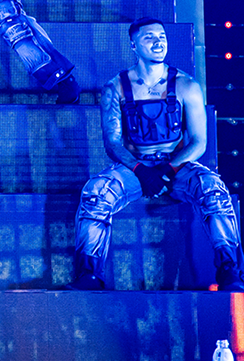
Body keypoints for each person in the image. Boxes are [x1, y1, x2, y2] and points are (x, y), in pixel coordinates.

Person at [72, 18, 244, 291]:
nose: (158, 42)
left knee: (212, 188)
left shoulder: (187, 86)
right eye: (149, 37)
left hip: (177, 167)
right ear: (134, 45)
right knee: (96, 192)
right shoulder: (115, 88)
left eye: (161, 36)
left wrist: (167, 170)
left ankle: (230, 271)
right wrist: (141, 171)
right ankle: (89, 275)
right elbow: (112, 143)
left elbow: (199, 142)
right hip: (135, 168)